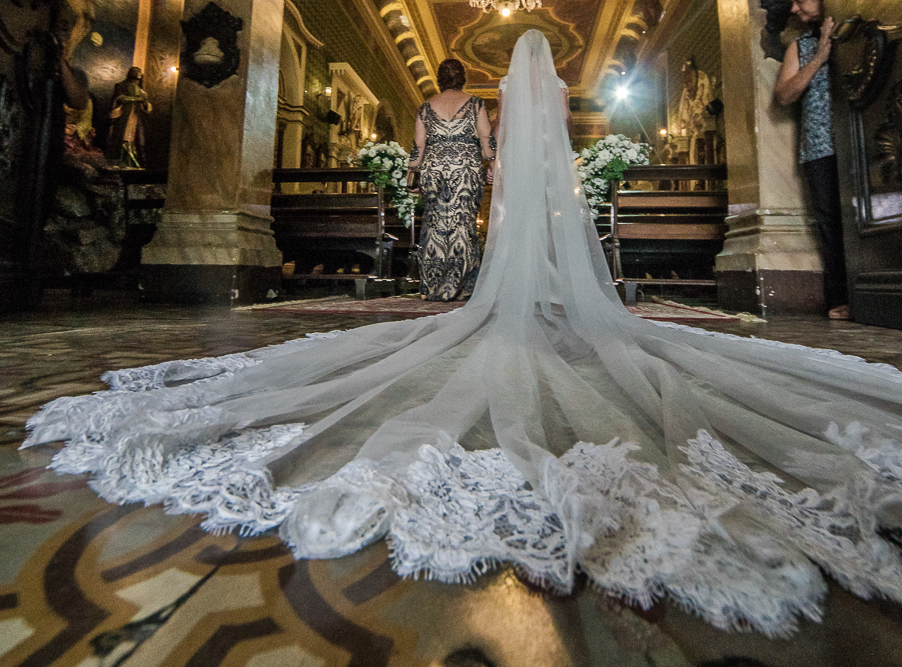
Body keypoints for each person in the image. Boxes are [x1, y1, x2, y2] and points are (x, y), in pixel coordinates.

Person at [24, 31, 902, 637]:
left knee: (446, 244)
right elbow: (500, 153)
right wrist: (494, 174)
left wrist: (444, 169)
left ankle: (453, 290)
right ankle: (496, 286)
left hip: (442, 178)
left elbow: (434, 150)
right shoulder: (528, 103)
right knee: (470, 235)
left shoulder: (438, 106)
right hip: (473, 179)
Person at [773, 0, 849, 320]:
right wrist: (818, 57)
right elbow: (785, 95)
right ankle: (842, 297)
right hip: (820, 146)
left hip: (863, 138)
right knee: (830, 222)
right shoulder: (800, 46)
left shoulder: (857, 30)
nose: (794, 8)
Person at [408, 57, 495, 300]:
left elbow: (418, 146)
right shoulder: (475, 103)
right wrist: (492, 163)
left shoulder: (425, 107)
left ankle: (434, 284)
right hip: (465, 170)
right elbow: (486, 138)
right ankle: (462, 285)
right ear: (462, 78)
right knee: (463, 223)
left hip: (434, 171)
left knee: (435, 222)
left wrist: (411, 179)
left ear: (439, 79)